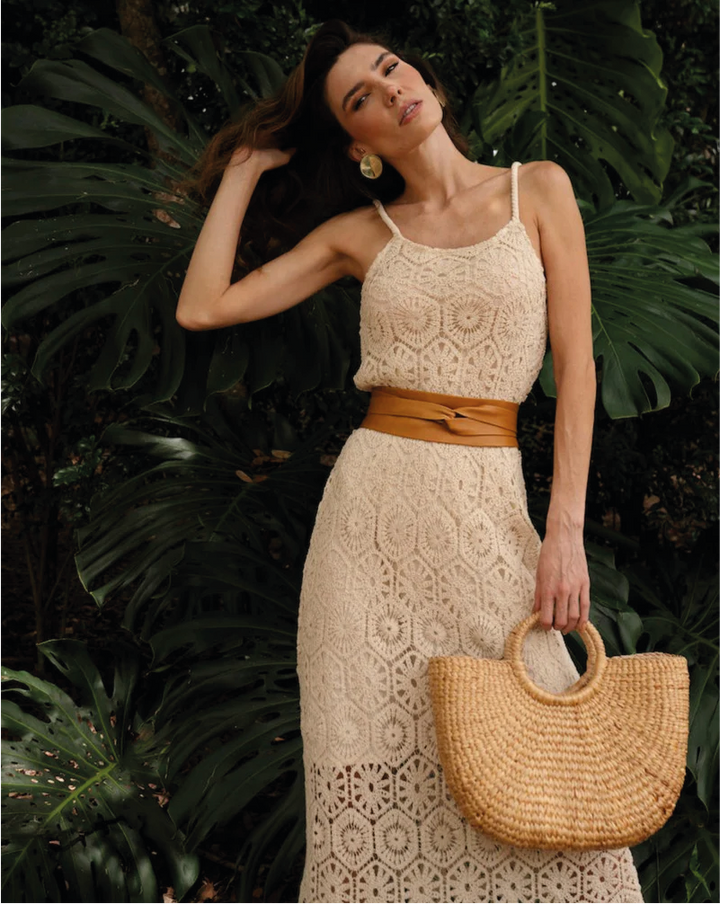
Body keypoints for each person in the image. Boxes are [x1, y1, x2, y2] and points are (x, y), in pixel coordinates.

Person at [177, 19, 645, 903]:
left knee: (549, 763)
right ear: (357, 143)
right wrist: (243, 169)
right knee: (372, 777)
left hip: (491, 509)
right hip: (372, 528)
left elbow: (577, 367)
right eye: (362, 96)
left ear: (423, 79)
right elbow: (203, 308)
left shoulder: (538, 189)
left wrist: (566, 531)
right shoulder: (360, 235)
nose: (391, 89)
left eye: (391, 69)